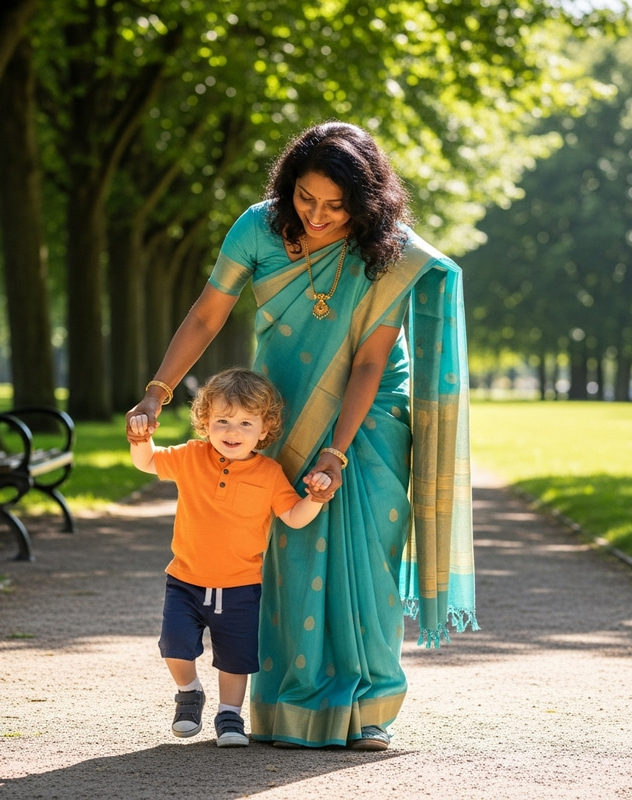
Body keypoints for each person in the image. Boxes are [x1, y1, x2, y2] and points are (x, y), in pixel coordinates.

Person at [126, 121, 477, 750]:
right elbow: (209, 313)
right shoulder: (257, 227)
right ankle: (292, 706)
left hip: (369, 418)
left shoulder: (387, 249)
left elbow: (371, 361)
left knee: (368, 560)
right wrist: (159, 388)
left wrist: (338, 451)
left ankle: (370, 708)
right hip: (281, 408)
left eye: (335, 205)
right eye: (306, 198)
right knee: (290, 558)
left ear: (364, 203)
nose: (316, 215)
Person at [129, 367, 332, 748]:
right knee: (173, 644)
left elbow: (294, 517)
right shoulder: (191, 456)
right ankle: (189, 694)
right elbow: (148, 462)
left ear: (264, 429)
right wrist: (140, 438)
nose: (232, 432)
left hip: (240, 586)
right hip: (185, 579)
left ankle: (230, 716)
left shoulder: (270, 473)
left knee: (235, 659)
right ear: (205, 423)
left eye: (244, 422)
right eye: (221, 420)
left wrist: (316, 499)